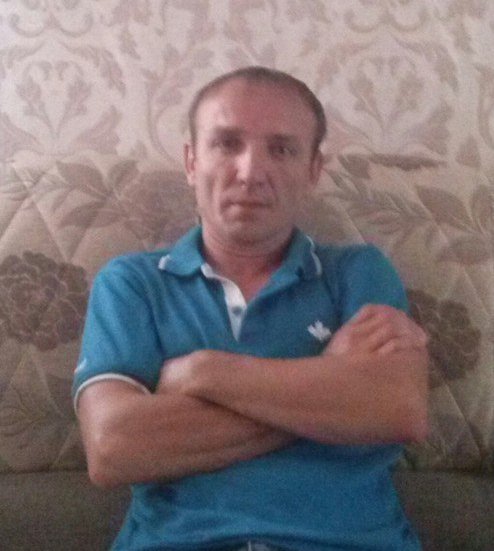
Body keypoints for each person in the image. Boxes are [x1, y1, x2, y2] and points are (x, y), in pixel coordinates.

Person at [73, 66, 429, 551]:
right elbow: (114, 449)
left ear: (313, 169)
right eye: (226, 144)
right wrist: (329, 380)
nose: (250, 172)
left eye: (281, 149)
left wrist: (204, 372)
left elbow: (398, 407)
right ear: (191, 161)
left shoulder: (359, 271)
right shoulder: (131, 283)